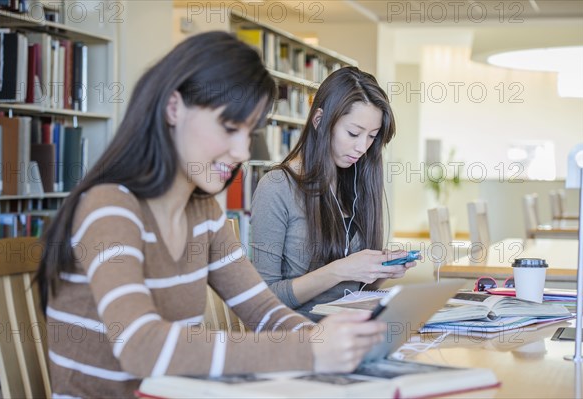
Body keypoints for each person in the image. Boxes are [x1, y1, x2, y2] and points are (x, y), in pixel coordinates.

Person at [35, 32, 388, 398]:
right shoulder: (109, 207)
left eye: (249, 133)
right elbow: (141, 346)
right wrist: (307, 350)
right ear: (174, 108)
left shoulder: (202, 211)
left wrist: (332, 341)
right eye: (229, 128)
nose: (241, 151)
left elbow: (264, 311)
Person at [250, 66, 417, 322]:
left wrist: (379, 270)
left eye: (372, 137)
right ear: (319, 121)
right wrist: (340, 270)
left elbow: (354, 292)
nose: (362, 147)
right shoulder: (276, 187)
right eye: (353, 133)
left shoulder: (353, 178)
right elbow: (263, 300)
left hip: (351, 327)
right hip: (302, 336)